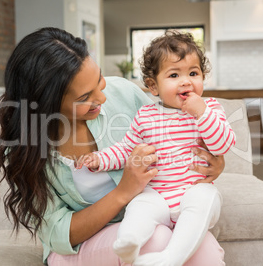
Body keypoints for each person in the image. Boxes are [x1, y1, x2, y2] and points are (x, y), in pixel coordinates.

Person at [0, 27, 226, 266]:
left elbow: (177, 135)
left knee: (205, 247)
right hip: (79, 247)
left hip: (145, 220)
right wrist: (124, 191)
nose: (102, 98)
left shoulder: (123, 93)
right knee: (158, 239)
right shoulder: (26, 150)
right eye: (85, 97)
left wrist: (215, 160)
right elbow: (58, 234)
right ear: (47, 105)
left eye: (99, 80)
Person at [77, 30, 236, 266]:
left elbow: (223, 143)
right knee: (140, 206)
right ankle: (129, 243)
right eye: (174, 75)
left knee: (207, 198)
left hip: (193, 190)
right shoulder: (146, 116)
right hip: (158, 194)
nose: (186, 81)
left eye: (193, 73)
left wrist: (201, 113)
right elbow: (126, 150)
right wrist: (99, 159)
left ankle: (170, 258)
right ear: (153, 86)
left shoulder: (210, 108)